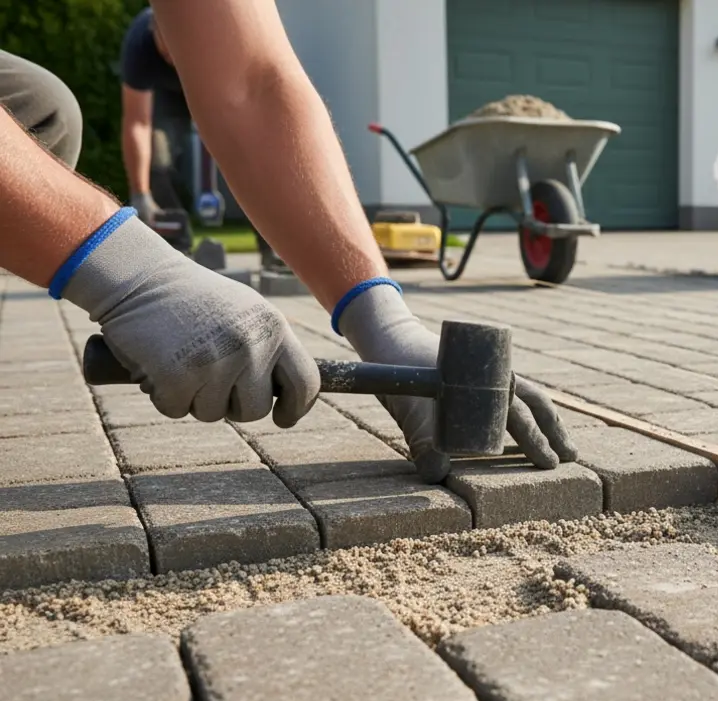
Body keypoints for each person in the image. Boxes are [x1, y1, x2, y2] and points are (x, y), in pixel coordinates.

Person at [0, 0, 576, 484]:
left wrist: (383, 323)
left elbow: (252, 82)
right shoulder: (139, 45)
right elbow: (138, 124)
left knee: (42, 115)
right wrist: (131, 273)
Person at [118, 5, 278, 266]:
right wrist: (140, 193)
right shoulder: (140, 46)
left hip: (212, 84)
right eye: (165, 47)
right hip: (167, 98)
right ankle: (178, 253)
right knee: (157, 160)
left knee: (246, 160)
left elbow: (241, 108)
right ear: (154, 32)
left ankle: (273, 248)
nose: (171, 54)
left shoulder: (220, 41)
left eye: (176, 45)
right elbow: (138, 122)